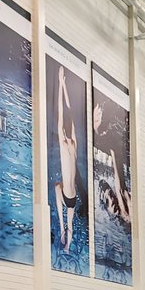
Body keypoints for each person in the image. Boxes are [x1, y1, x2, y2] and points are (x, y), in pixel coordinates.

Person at [53, 65, 80, 255]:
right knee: (58, 185)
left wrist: (59, 82)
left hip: (69, 195)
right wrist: (63, 85)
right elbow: (69, 113)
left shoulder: (62, 143)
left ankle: (62, 228)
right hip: (71, 196)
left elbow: (62, 112)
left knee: (56, 188)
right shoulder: (73, 144)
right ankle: (68, 246)